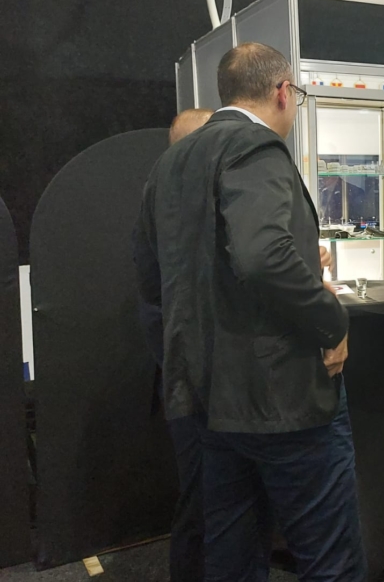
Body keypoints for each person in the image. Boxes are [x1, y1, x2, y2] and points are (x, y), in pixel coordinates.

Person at [133, 43, 367, 581]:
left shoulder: (171, 164)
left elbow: (152, 277)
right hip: (283, 398)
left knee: (232, 556)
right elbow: (262, 257)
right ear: (283, 92)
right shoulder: (255, 147)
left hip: (208, 399)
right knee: (330, 558)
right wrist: (331, 321)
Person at [132, 108, 213, 582]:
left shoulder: (164, 196)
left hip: (189, 371)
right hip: (190, 375)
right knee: (202, 496)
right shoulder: (173, 202)